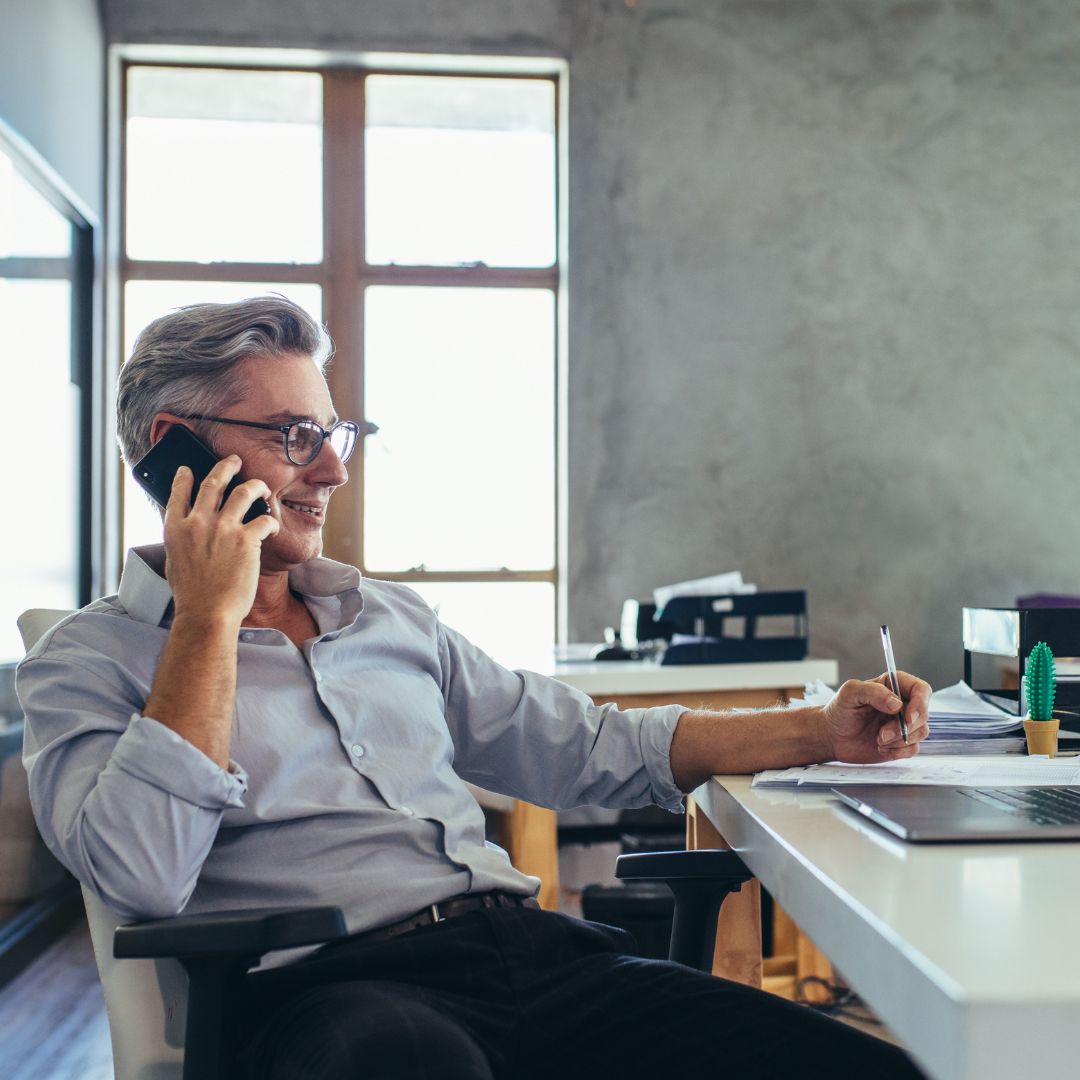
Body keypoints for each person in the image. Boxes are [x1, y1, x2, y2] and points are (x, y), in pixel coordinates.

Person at [17, 296, 931, 1079]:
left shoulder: (388, 620)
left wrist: (823, 729)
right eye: (296, 437)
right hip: (332, 995)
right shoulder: (87, 662)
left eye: (333, 435)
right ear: (175, 453)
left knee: (868, 1068)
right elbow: (141, 872)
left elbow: (597, 747)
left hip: (535, 959)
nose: (333, 470)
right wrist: (210, 620)